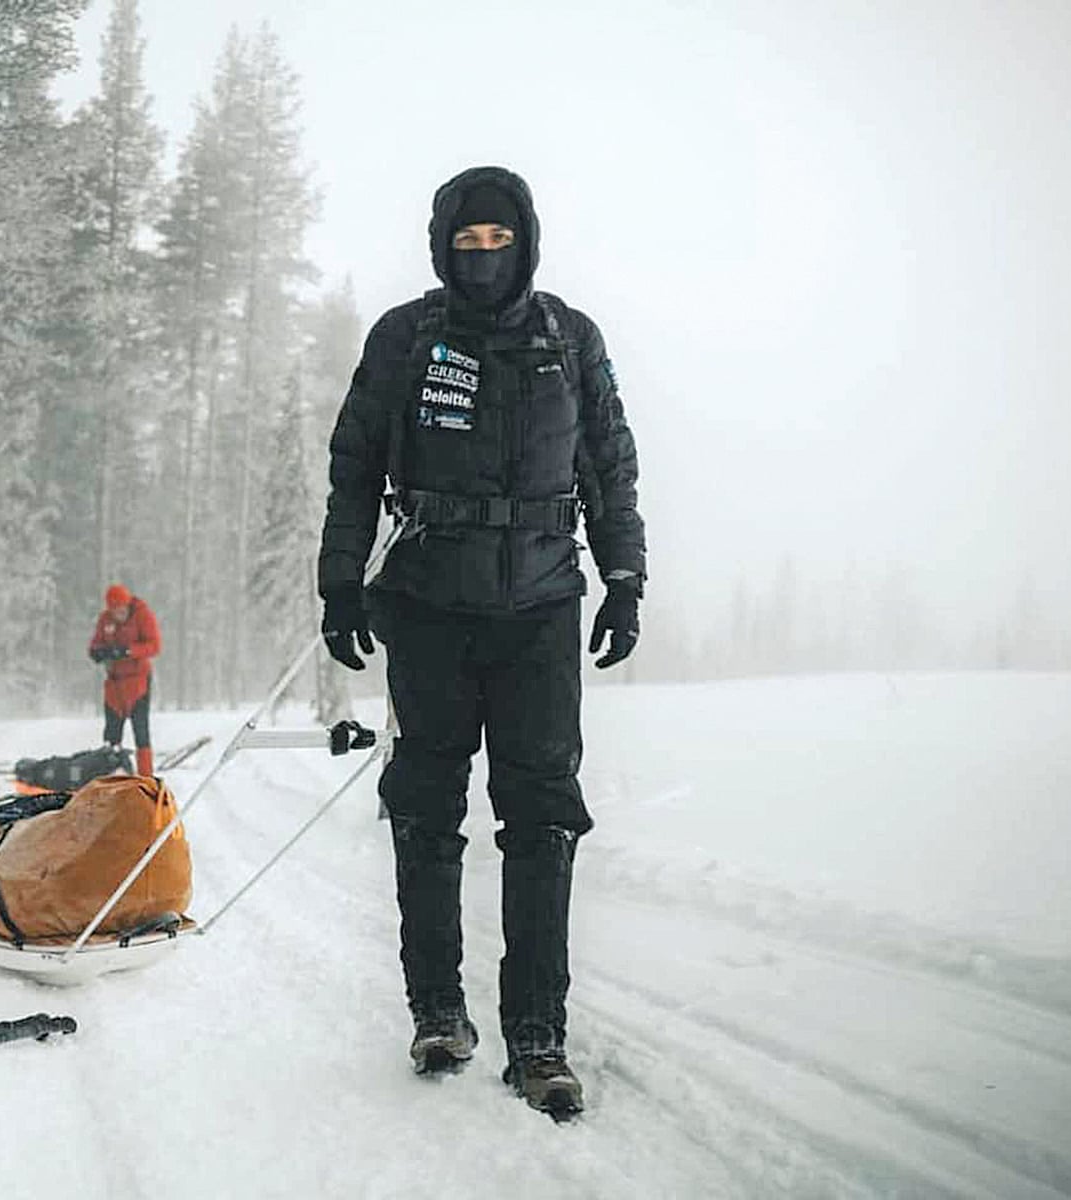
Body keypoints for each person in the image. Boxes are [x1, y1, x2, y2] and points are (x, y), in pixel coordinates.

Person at [318, 165, 645, 1117]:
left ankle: (538, 1038)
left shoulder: (571, 340)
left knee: (543, 818)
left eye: (501, 240)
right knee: (425, 809)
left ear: (526, 243)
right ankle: (437, 1012)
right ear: (443, 246)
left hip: (542, 607)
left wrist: (624, 579)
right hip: (426, 604)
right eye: (469, 241)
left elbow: (611, 464)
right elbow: (354, 464)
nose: (485, 255)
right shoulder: (405, 338)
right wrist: (340, 581)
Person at [88, 583, 161, 777]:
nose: (117, 614)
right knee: (111, 732)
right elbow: (96, 642)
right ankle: (110, 772)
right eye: (113, 611)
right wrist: (97, 652)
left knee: (140, 730)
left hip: (138, 681)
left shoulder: (143, 615)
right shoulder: (105, 620)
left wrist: (128, 651)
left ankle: (146, 777)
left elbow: (154, 646)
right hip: (114, 684)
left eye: (120, 610)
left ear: (127, 606)